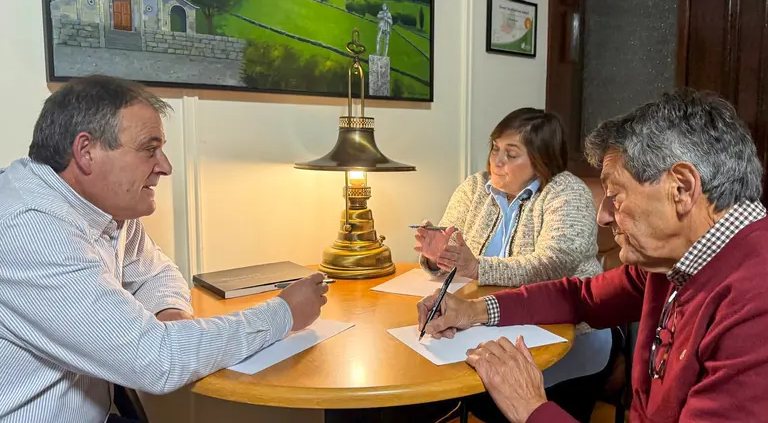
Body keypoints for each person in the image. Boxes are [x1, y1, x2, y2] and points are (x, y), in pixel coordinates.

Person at [416, 89, 768, 422]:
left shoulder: (755, 303)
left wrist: (531, 407)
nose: (602, 216)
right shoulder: (672, 262)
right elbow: (581, 297)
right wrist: (474, 310)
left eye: (615, 195)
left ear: (681, 189)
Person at [0, 75, 329, 423]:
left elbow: (156, 272)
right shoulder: (29, 229)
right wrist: (284, 313)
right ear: (86, 152)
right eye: (149, 148)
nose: (166, 166)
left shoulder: (102, 207)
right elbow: (157, 361)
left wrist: (170, 313)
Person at [413, 108, 614, 422]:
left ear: (540, 160)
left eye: (511, 153)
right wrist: (434, 257)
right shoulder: (473, 188)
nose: (497, 161)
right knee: (424, 371)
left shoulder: (566, 191)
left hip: (567, 334)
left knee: (477, 392)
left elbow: (553, 264)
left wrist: (477, 266)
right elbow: (450, 251)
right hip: (487, 322)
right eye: (495, 149)